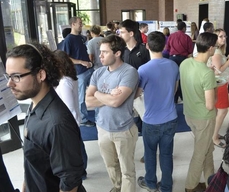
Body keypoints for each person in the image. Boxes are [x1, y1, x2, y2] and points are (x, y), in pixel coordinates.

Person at [5, 43, 85, 192]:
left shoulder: (57, 123)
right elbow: (33, 164)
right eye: (9, 76)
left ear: (41, 75)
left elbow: (70, 183)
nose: (10, 83)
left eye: (16, 77)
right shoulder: (35, 105)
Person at [85, 35, 139, 192]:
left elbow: (117, 102)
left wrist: (97, 94)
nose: (99, 55)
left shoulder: (129, 72)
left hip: (124, 129)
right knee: (111, 165)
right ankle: (117, 187)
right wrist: (107, 97)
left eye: (104, 52)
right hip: (102, 128)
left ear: (117, 53)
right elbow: (88, 103)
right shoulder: (98, 73)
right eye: (100, 52)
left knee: (127, 170)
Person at [136, 31, 179, 192]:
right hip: (170, 117)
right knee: (167, 154)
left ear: (147, 46)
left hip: (151, 120)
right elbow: (174, 89)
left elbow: (137, 94)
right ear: (165, 46)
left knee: (150, 153)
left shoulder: (143, 69)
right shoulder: (173, 65)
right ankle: (166, 186)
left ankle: (151, 182)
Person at [180, 32, 218, 192]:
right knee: (200, 153)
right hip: (204, 118)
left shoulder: (185, 63)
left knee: (207, 148)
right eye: (215, 46)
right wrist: (215, 88)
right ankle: (191, 186)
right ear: (210, 48)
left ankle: (211, 182)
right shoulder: (207, 73)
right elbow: (210, 105)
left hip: (189, 114)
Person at [54, 50, 88, 180]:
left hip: (70, 122)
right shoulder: (70, 78)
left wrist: (70, 124)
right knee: (78, 146)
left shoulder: (64, 82)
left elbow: (69, 106)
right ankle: (82, 169)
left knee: (75, 148)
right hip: (73, 120)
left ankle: (81, 171)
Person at [63, 16, 95, 127]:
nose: (81, 25)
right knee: (81, 96)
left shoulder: (81, 38)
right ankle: (83, 119)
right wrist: (81, 62)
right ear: (73, 24)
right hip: (79, 72)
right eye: (80, 23)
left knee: (96, 90)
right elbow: (66, 57)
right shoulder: (69, 39)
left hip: (88, 69)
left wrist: (89, 62)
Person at [207, 28, 229, 148]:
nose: (223, 38)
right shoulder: (217, 52)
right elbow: (218, 72)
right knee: (223, 111)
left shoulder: (219, 51)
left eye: (224, 36)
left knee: (218, 111)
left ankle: (214, 134)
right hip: (220, 84)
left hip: (221, 84)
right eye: (221, 36)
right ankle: (214, 137)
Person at [167, 21, 194, 103]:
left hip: (172, 59)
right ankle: (183, 97)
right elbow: (190, 50)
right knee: (183, 78)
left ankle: (174, 98)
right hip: (183, 59)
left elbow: (167, 48)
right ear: (184, 28)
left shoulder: (171, 36)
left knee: (173, 78)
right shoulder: (187, 37)